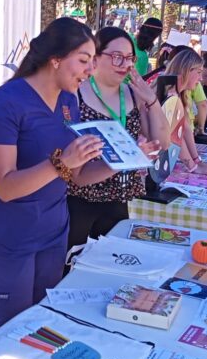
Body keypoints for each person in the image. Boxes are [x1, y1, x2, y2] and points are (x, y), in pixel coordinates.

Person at [0, 18, 122, 329]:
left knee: (43, 327)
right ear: (55, 59)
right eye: (83, 61)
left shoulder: (70, 101)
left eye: (92, 62)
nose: (89, 71)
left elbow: (78, 176)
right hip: (12, 239)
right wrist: (61, 163)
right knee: (12, 334)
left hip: (54, 234)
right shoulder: (7, 102)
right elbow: (4, 186)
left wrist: (119, 161)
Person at [67, 26, 169, 254]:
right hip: (80, 202)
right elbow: (76, 172)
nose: (126, 65)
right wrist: (128, 159)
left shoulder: (133, 94)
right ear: (96, 55)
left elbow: (162, 142)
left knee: (112, 270)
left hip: (119, 201)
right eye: (117, 57)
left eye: (130, 58)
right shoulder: (76, 94)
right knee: (73, 272)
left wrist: (151, 99)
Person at [159, 48, 207, 175]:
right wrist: (193, 167)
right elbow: (175, 136)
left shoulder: (178, 92)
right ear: (186, 70)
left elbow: (185, 128)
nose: (200, 79)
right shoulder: (169, 92)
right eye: (198, 72)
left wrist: (197, 161)